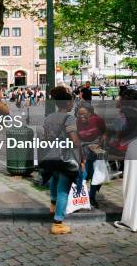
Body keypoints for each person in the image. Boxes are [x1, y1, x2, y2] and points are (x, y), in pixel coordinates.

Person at [39, 86, 83, 234]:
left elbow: (44, 138)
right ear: (68, 103)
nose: (73, 104)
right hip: (65, 156)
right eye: (71, 102)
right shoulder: (69, 118)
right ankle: (58, 223)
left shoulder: (48, 117)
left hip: (51, 155)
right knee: (64, 189)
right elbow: (75, 141)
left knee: (54, 179)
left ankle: (52, 205)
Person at [114, 89, 137, 232]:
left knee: (133, 184)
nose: (117, 100)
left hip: (136, 148)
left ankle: (131, 221)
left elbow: (121, 133)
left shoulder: (125, 114)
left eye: (119, 97)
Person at [76, 105, 107, 208]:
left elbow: (104, 133)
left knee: (95, 175)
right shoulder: (76, 122)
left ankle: (92, 197)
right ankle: (79, 198)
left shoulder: (98, 120)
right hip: (83, 149)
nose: (81, 116)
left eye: (84, 114)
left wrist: (100, 144)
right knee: (83, 174)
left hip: (96, 149)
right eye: (79, 114)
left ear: (90, 113)